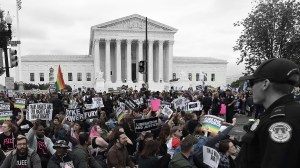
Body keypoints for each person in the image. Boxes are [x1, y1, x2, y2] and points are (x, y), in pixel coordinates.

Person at [236, 58, 300, 168]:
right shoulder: (288, 112)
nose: (251, 88)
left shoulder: (279, 121)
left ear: (265, 84)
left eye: (253, 82)